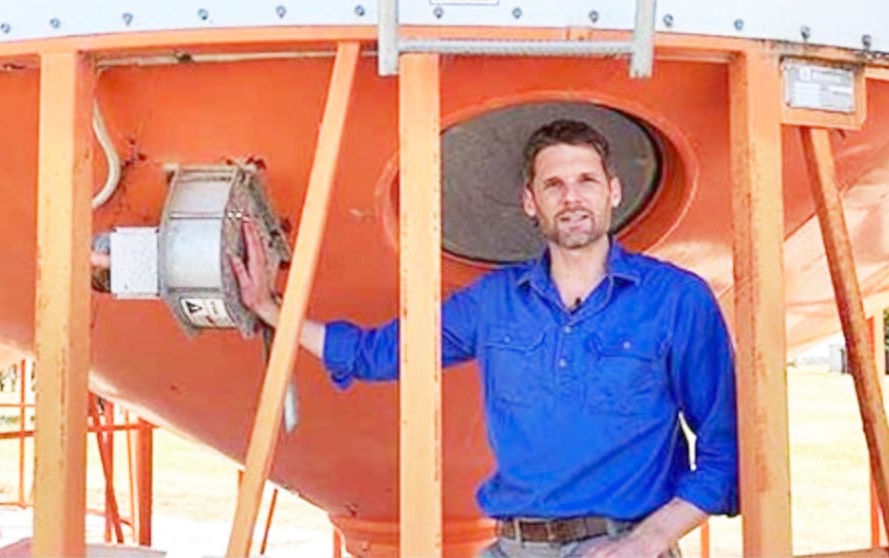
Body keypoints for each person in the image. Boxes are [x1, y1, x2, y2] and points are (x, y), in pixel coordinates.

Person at [232, 119, 738, 558]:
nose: (571, 197)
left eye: (586, 180)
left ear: (613, 191)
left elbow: (723, 450)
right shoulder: (494, 302)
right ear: (529, 201)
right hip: (515, 544)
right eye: (553, 184)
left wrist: (645, 544)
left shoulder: (676, 300)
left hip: (622, 544)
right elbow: (375, 355)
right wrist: (269, 309)